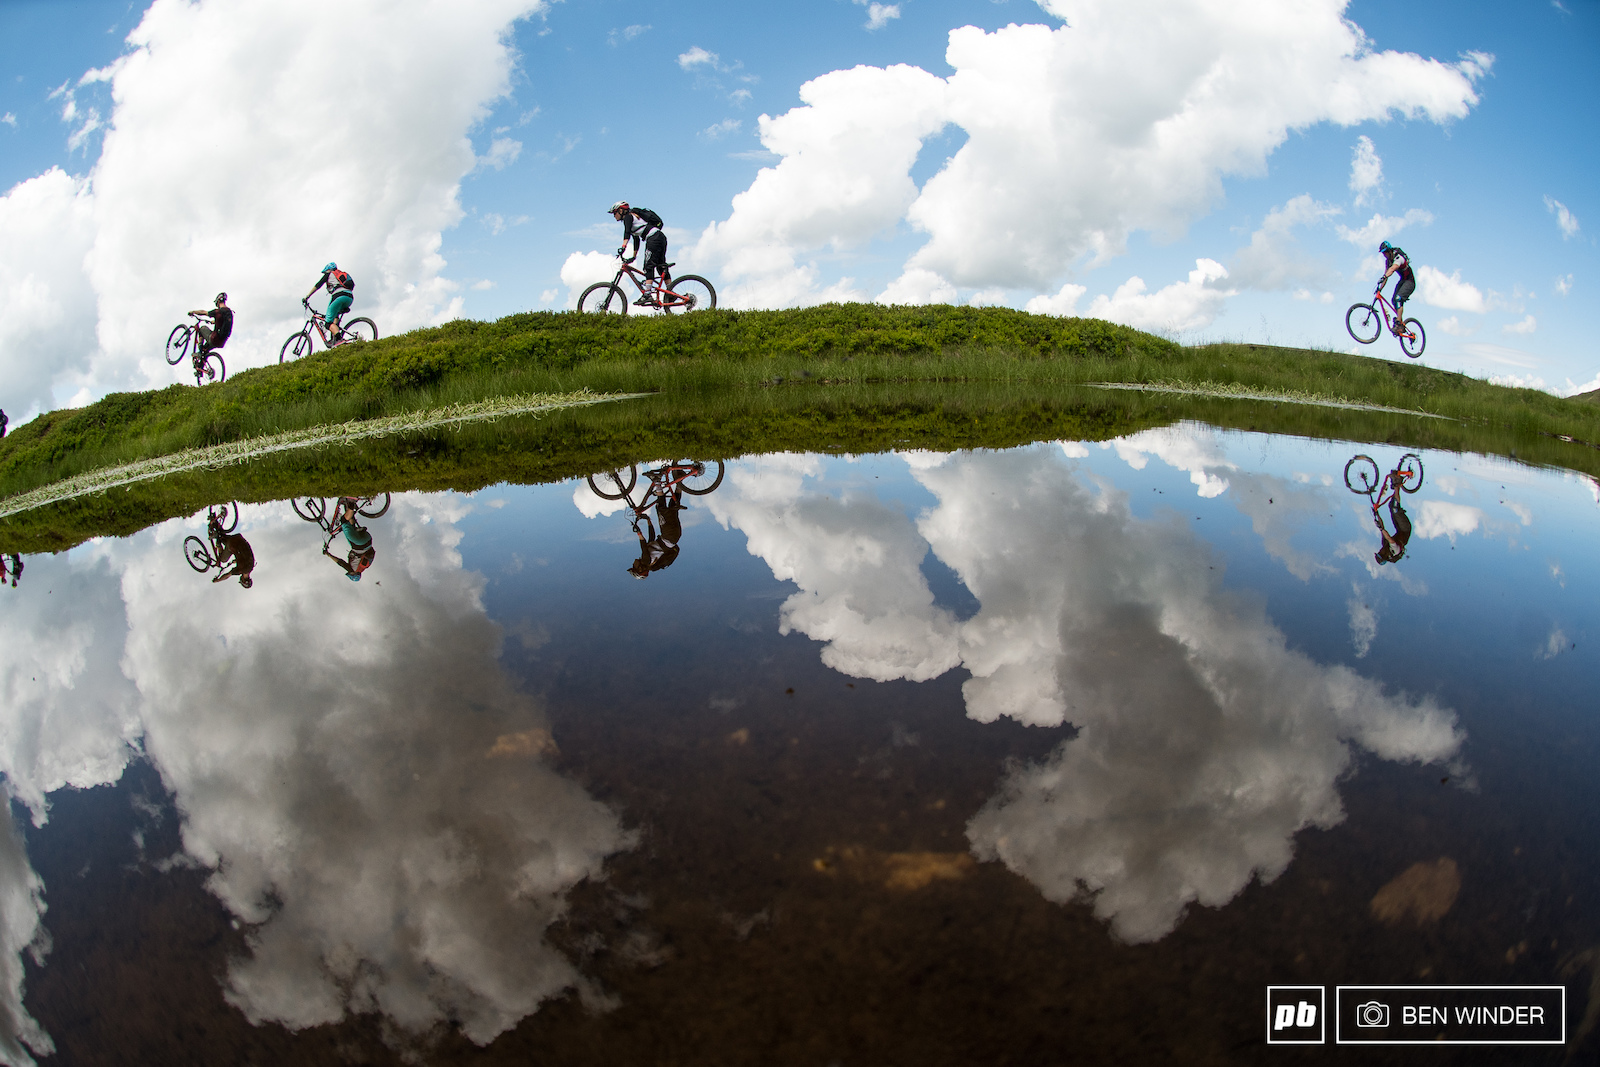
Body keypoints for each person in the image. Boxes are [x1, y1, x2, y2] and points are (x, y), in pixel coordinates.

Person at [610, 201, 669, 305]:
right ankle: (670, 291)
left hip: (653, 239)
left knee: (648, 266)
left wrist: (623, 246)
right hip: (660, 237)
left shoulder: (628, 217)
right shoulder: (635, 219)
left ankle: (647, 294)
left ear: (621, 210)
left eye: (615, 213)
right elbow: (636, 240)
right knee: (661, 266)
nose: (614, 216)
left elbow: (627, 233)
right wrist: (634, 256)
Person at [628, 495, 683, 579]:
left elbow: (651, 537)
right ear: (640, 569)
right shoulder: (646, 561)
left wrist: (648, 520)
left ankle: (679, 488)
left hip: (672, 537)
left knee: (672, 508)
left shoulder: (651, 561)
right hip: (668, 535)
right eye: (634, 567)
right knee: (660, 508)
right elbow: (643, 546)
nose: (633, 564)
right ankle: (659, 488)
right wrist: (638, 533)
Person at [323, 496, 376, 581]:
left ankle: (347, 505)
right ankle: (351, 502)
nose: (349, 572)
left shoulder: (364, 566)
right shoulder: (353, 569)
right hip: (359, 544)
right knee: (344, 521)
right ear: (353, 574)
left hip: (368, 540)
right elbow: (340, 562)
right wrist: (328, 554)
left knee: (351, 526)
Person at [188, 292, 234, 381]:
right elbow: (223, 322)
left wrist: (193, 312)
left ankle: (199, 350)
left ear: (218, 301)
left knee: (202, 329)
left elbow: (203, 312)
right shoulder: (229, 312)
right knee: (205, 350)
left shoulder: (217, 312)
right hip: (222, 341)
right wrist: (214, 322)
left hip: (214, 338)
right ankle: (201, 368)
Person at [304, 262, 355, 343]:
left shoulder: (329, 274)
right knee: (335, 317)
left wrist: (307, 296)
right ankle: (334, 339)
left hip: (338, 296)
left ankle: (339, 339)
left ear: (328, 270)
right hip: (349, 297)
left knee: (328, 323)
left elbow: (318, 285)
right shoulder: (341, 275)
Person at [207, 512, 255, 588]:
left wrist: (236, 561)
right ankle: (217, 539)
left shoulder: (251, 566)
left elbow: (244, 556)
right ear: (243, 580)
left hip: (239, 539)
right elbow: (227, 575)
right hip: (233, 545)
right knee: (223, 560)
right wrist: (218, 580)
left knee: (222, 536)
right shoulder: (240, 570)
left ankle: (215, 519)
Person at [1378, 241, 1415, 330]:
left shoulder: (1398, 257)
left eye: (1385, 252)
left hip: (1410, 281)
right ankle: (1400, 324)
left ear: (1389, 251)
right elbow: (1386, 275)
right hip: (1403, 280)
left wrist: (1385, 276)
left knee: (1398, 298)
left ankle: (1398, 323)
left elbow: (1393, 268)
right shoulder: (1388, 262)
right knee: (1393, 300)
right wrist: (1380, 289)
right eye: (1383, 253)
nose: (1384, 255)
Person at [1373, 492, 1412, 565]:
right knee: (1395, 509)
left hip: (1399, 529)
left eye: (1379, 552)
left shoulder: (1385, 544)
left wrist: (1376, 513)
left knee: (1391, 505)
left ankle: (1396, 488)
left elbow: (1382, 527)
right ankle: (1397, 486)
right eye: (1380, 552)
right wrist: (1381, 528)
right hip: (1405, 529)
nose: (1380, 550)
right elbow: (1389, 538)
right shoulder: (1394, 551)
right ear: (1384, 555)